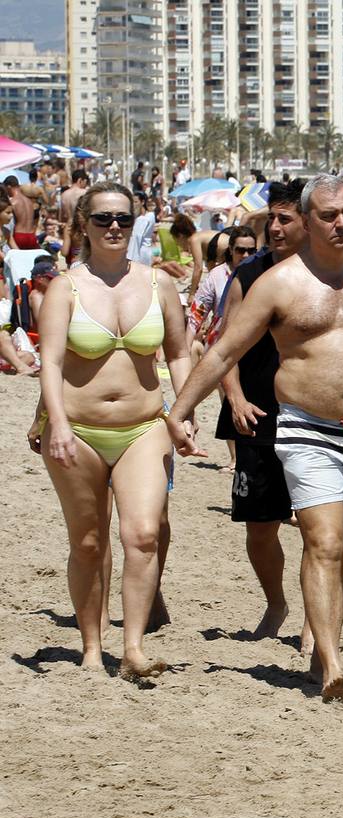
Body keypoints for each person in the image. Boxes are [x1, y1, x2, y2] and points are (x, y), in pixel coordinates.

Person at [167, 174, 343, 701]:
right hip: (306, 428)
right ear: (308, 221)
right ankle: (334, 662)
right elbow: (224, 352)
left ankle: (322, 645)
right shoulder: (279, 283)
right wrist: (180, 411)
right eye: (330, 215)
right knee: (324, 541)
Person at [37, 181, 193, 678]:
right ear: (84, 223)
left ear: (136, 222)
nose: (114, 228)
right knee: (87, 541)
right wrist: (55, 422)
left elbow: (179, 352)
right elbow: (51, 360)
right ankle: (89, 646)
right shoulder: (66, 287)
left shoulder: (157, 284)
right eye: (103, 218)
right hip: (78, 430)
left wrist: (183, 412)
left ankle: (133, 649)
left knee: (143, 534)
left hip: (144, 426)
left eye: (123, 219)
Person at [213, 182, 307, 640]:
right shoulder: (249, 275)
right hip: (258, 414)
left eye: (284, 219)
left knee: (318, 527)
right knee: (260, 528)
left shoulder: (328, 276)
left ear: (310, 221)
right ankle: (276, 603)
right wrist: (233, 396)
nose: (273, 227)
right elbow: (223, 345)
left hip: (315, 416)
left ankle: (316, 621)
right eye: (271, 218)